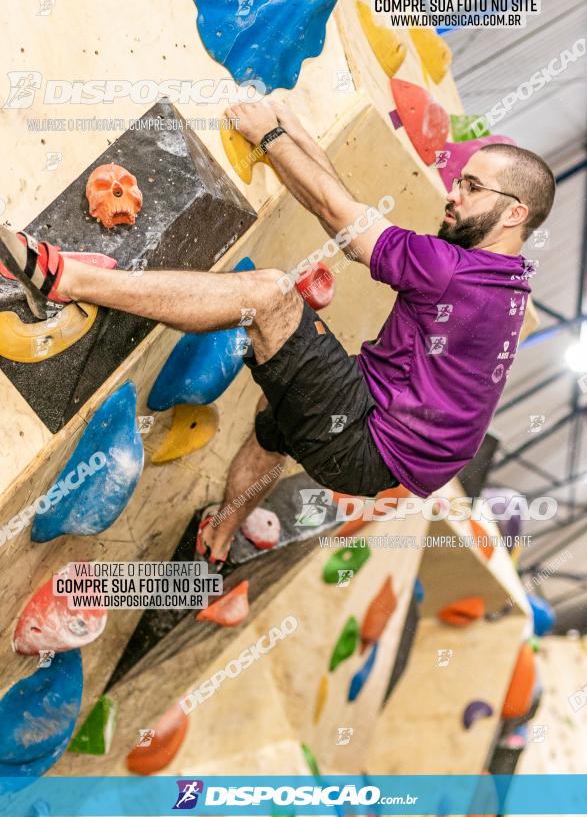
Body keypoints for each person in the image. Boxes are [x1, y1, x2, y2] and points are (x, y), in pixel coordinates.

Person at [0, 99, 555, 565]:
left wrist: (267, 132)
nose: (453, 194)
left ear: (514, 214)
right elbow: (351, 213)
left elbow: (339, 215)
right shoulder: (505, 281)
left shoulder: (455, 272)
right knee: (281, 415)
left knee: (269, 298)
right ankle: (224, 529)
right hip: (384, 445)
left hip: (368, 441)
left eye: (472, 187)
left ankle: (63, 278)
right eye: (460, 181)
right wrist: (295, 135)